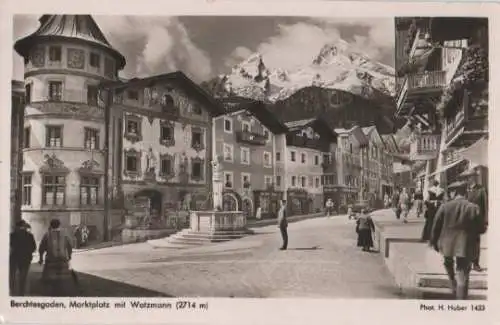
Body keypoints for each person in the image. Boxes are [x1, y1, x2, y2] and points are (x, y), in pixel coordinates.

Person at [430, 184, 483, 300]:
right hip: (465, 245)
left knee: (448, 262)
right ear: (466, 192)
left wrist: (433, 242)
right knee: (462, 272)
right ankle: (461, 298)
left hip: (447, 244)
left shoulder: (445, 206)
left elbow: (435, 226)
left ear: (453, 193)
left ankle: (453, 284)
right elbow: (481, 228)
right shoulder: (473, 208)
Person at [38, 219, 73, 296]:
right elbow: (69, 246)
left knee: (50, 278)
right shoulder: (65, 234)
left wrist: (40, 258)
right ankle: (61, 291)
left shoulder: (47, 234)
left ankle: (52, 293)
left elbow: (42, 247)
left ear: (51, 225)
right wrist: (69, 255)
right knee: (62, 278)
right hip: (62, 259)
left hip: (51, 260)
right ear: (59, 225)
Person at [466, 171, 488, 272]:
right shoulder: (464, 190)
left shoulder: (481, 190)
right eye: (467, 177)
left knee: (475, 243)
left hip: (476, 221)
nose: (469, 179)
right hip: (465, 221)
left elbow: (486, 206)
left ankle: (475, 264)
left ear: (474, 178)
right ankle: (467, 263)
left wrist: (485, 220)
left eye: (470, 177)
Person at [10, 220, 36, 296]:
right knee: (23, 275)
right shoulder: (30, 235)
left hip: (15, 257)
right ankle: (21, 292)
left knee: (13, 274)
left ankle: (13, 291)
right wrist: (28, 251)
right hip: (26, 258)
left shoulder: (12, 235)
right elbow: (34, 247)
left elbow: (11, 246)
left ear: (17, 226)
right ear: (24, 226)